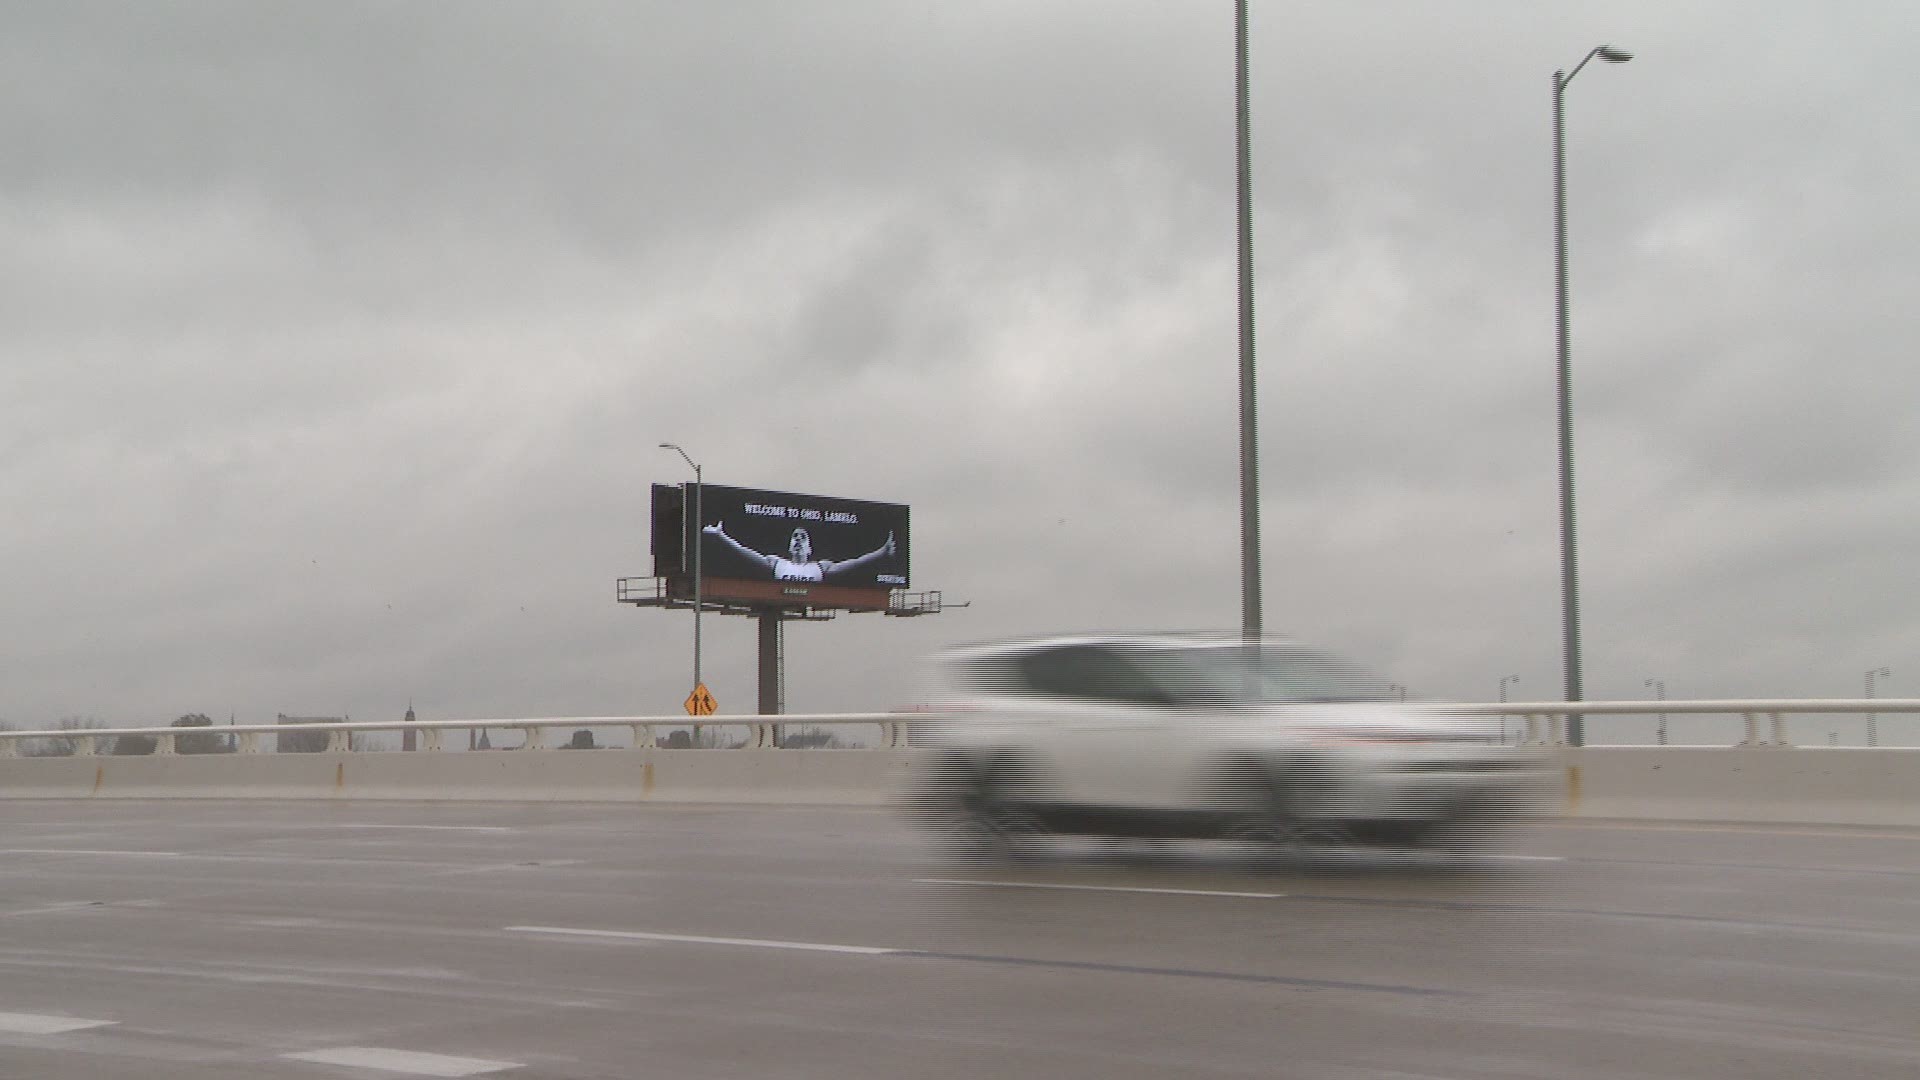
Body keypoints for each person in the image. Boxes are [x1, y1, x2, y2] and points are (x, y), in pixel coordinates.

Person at [702, 521, 895, 582]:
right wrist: (721, 536)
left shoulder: (821, 567)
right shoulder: (776, 563)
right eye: (795, 536)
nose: (798, 540)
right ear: (788, 545)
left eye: (803, 538)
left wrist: (882, 552)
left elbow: (856, 562)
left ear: (810, 549)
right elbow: (743, 550)